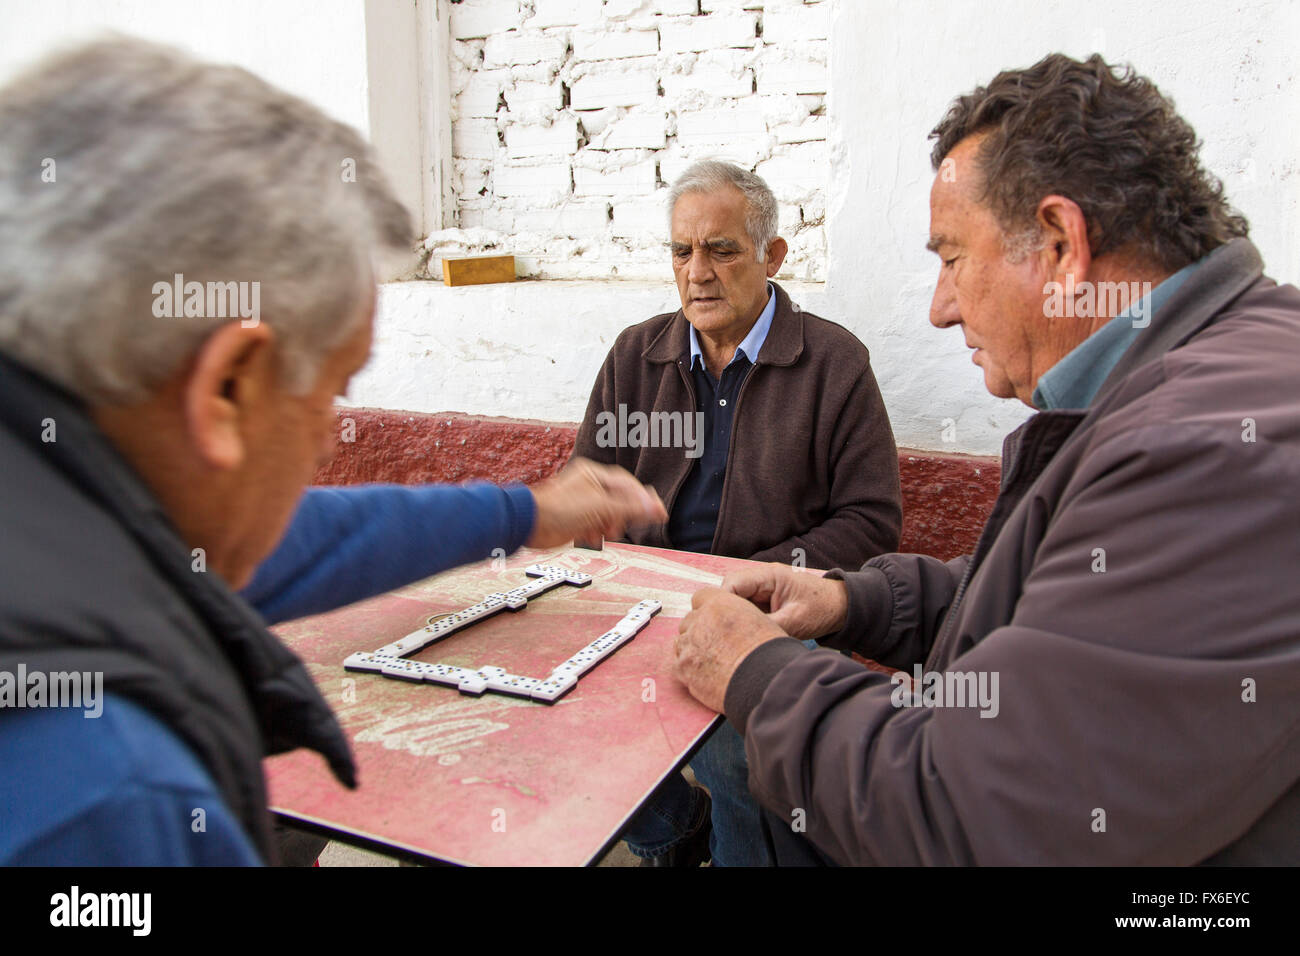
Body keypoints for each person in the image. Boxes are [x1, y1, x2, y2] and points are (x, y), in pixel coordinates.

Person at [0, 37, 662, 866]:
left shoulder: (86, 518)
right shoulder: (107, 799)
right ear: (227, 391)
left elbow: (299, 540)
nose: (327, 433)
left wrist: (526, 511)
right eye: (330, 391)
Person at [673, 52, 1300, 864]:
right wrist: (851, 602)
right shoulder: (1203, 374)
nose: (938, 308)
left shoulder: (1203, 448)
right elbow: (1048, 601)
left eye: (951, 258)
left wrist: (756, 671)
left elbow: (974, 813)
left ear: (1061, 244)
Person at [574, 161, 903, 865]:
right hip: (644, 601)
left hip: (777, 609)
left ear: (771, 255)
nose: (698, 272)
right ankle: (672, 833)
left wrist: (747, 583)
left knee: (733, 741)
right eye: (681, 251)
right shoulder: (637, 354)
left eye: (722, 250)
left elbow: (871, 522)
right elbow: (586, 490)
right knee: (557, 698)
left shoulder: (833, 362)